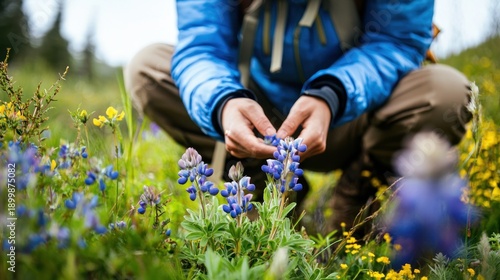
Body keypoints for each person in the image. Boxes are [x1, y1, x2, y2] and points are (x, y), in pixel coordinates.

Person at [124, 0, 471, 237]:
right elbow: (203, 45)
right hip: (256, 108)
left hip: (354, 111)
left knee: (446, 94)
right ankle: (256, 183)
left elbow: (396, 42)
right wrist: (223, 102)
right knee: (148, 68)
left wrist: (333, 93)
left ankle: (358, 190)